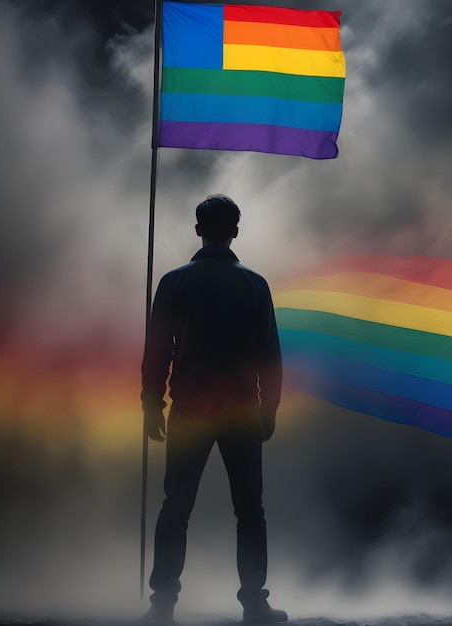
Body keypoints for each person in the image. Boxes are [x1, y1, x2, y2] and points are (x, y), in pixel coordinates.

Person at [141, 194, 287, 624]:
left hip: (190, 407)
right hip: (241, 409)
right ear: (236, 230)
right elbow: (269, 354)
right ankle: (254, 603)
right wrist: (270, 406)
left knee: (176, 506)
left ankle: (162, 603)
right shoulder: (254, 284)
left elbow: (157, 351)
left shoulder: (173, 282)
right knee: (249, 509)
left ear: (198, 228)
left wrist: (152, 402)